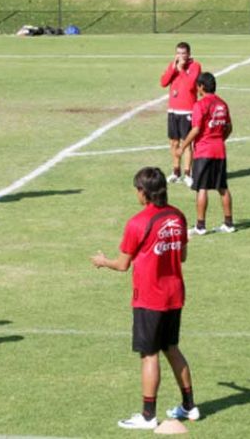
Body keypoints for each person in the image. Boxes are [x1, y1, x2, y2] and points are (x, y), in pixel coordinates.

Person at [91, 167, 199, 430]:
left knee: (149, 354)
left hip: (150, 297)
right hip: (175, 294)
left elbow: (122, 265)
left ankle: (148, 415)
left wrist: (103, 261)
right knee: (171, 348)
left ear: (144, 192)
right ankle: (189, 406)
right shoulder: (178, 215)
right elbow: (181, 256)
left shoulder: (137, 222)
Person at [177, 72, 235, 236]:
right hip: (219, 150)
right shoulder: (222, 104)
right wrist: (220, 138)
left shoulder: (200, 105)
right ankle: (229, 223)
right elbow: (229, 127)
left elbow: (196, 129)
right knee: (222, 187)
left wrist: (183, 146)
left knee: (201, 188)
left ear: (201, 87)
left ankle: (200, 226)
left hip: (204, 151)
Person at [160, 42, 202, 188]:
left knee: (187, 143)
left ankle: (188, 173)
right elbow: (163, 82)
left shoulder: (195, 66)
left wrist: (182, 70)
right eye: (178, 53)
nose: (181, 56)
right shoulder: (173, 65)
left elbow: (191, 85)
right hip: (173, 110)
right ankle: (176, 172)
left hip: (187, 111)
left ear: (189, 54)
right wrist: (174, 68)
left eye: (183, 53)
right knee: (173, 142)